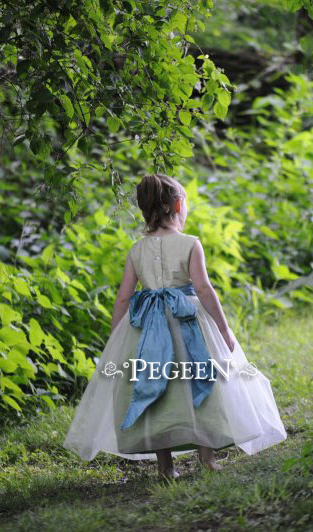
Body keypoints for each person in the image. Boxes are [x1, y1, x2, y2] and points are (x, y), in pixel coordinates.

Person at [62, 173, 287, 479]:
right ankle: (206, 458)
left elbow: (123, 298)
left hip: (147, 327)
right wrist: (222, 329)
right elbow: (204, 289)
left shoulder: (136, 250)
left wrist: (116, 338)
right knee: (200, 380)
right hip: (188, 319)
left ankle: (165, 465)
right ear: (178, 205)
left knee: (157, 389)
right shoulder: (190, 244)